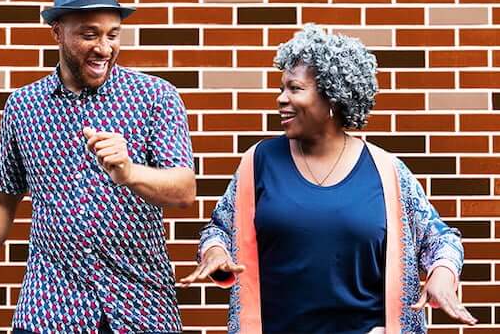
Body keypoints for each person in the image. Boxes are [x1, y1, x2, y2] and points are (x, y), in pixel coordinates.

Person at [0, 0, 196, 334]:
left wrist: (130, 172)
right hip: (49, 307)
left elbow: (184, 190)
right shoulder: (23, 107)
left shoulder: (154, 97)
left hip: (141, 307)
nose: (104, 48)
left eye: (113, 35)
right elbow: (0, 199)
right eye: (89, 34)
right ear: (57, 31)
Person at [180, 24, 477, 333]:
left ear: (333, 97)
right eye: (282, 88)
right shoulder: (259, 162)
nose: (281, 99)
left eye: (294, 89)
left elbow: (440, 239)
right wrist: (215, 252)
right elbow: (219, 229)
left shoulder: (387, 171)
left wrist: (442, 274)